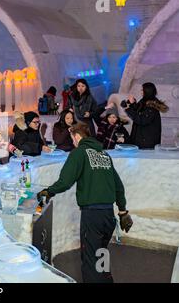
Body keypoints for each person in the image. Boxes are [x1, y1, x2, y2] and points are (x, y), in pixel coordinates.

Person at [37, 122, 133, 283]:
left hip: (92, 215)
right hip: (108, 216)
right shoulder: (104, 155)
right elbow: (118, 186)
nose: (73, 142)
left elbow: (65, 181)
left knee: (90, 258)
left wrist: (49, 191)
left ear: (77, 136)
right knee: (101, 253)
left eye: (73, 138)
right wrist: (123, 212)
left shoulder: (79, 153)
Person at [123, 82, 169, 149]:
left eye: (142, 90)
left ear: (147, 91)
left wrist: (128, 109)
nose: (141, 92)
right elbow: (138, 111)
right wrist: (132, 103)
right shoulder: (144, 101)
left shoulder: (151, 107)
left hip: (146, 142)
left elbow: (141, 120)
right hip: (141, 139)